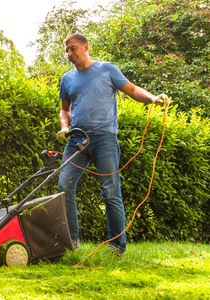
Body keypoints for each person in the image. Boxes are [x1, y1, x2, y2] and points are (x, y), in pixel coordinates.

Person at [56, 33, 169, 256]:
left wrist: (152, 98)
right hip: (77, 140)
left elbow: (133, 89)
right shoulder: (67, 79)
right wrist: (64, 126)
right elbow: (64, 109)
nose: (70, 53)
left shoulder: (107, 69)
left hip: (105, 139)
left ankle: (117, 246)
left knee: (110, 192)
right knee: (64, 187)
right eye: (67, 50)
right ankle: (72, 242)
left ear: (85, 47)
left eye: (73, 48)